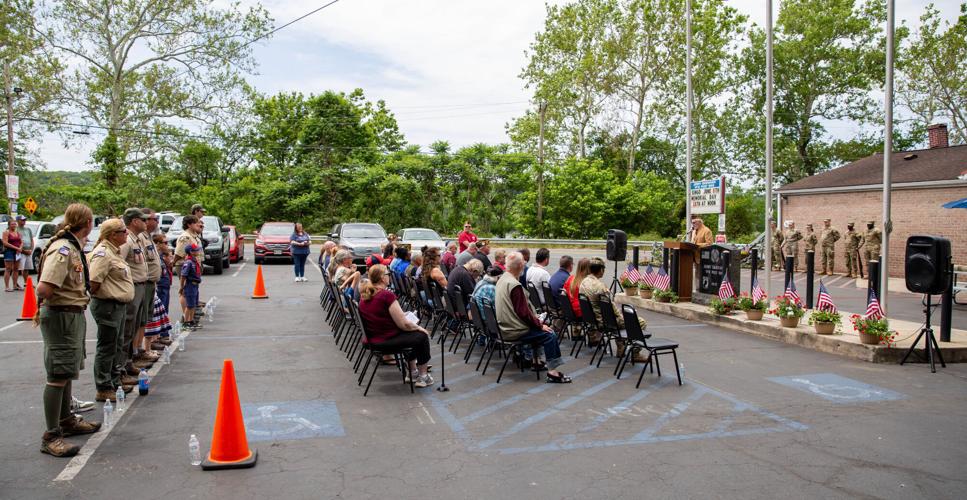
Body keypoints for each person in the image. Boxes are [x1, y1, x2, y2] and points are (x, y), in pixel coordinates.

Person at [36, 203, 101, 457]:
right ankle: (51, 435)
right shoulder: (63, 249)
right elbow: (44, 289)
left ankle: (66, 420)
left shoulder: (73, 246)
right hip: (61, 316)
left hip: (72, 315)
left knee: (67, 370)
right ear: (86, 223)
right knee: (57, 375)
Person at [494, 252, 570, 383]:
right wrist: (540, 325)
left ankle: (537, 362)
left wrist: (537, 323)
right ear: (519, 266)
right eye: (523, 262)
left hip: (504, 327)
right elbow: (523, 313)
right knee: (549, 334)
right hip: (514, 330)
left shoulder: (503, 279)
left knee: (539, 328)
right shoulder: (514, 285)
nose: (524, 264)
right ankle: (552, 372)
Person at [358, 265, 434, 388]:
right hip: (385, 340)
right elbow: (403, 325)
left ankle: (413, 372)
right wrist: (419, 328)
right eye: (388, 274)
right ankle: (423, 376)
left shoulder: (365, 295)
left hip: (373, 338)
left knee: (413, 335)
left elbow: (382, 315)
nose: (389, 276)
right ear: (383, 278)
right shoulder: (386, 295)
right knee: (421, 336)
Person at [88, 218, 135, 402]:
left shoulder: (114, 252)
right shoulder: (103, 253)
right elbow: (93, 282)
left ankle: (115, 380)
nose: (126, 234)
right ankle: (103, 386)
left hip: (118, 305)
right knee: (107, 346)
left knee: (117, 344)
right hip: (108, 305)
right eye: (123, 231)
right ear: (113, 235)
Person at [580, 258, 649, 362]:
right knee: (640, 322)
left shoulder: (583, 282)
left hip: (593, 319)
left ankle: (621, 348)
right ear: (601, 270)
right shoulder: (601, 287)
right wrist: (622, 316)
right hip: (605, 322)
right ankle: (635, 353)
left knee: (618, 320)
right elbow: (611, 309)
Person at [119, 208, 153, 380]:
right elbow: (119, 264)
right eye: (143, 219)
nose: (146, 222)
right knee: (127, 328)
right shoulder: (126, 241)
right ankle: (123, 366)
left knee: (134, 326)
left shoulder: (137, 239)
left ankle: (129, 361)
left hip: (140, 285)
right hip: (131, 287)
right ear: (133, 221)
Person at [138, 209, 163, 360]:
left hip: (151, 283)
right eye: (154, 219)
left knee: (146, 319)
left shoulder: (148, 237)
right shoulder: (140, 238)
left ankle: (143, 350)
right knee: (141, 320)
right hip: (144, 283)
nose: (157, 222)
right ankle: (139, 351)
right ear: (146, 220)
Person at [180, 244, 203, 328]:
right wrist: (182, 287)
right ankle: (186, 322)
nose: (198, 251)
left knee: (193, 304)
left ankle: (191, 320)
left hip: (195, 285)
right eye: (196, 250)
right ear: (191, 252)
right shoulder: (188, 262)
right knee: (189, 305)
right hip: (190, 285)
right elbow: (183, 275)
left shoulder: (194, 260)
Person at [3, 219, 23, 291]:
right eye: (12, 224)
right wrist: (16, 248)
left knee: (16, 269)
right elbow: (5, 243)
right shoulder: (6, 232)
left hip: (17, 252)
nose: (14, 225)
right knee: (8, 269)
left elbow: (21, 241)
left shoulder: (17, 232)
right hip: (9, 252)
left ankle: (15, 285)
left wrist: (20, 248)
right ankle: (7, 287)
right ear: (9, 225)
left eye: (15, 224)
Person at [16, 215, 35, 280]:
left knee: (27, 268)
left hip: (28, 251)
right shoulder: (15, 229)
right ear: (18, 221)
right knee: (19, 268)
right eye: (22, 220)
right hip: (20, 251)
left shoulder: (28, 229)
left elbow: (32, 240)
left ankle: (26, 282)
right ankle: (16, 283)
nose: (24, 221)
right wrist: (23, 251)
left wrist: (31, 250)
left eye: (25, 220)